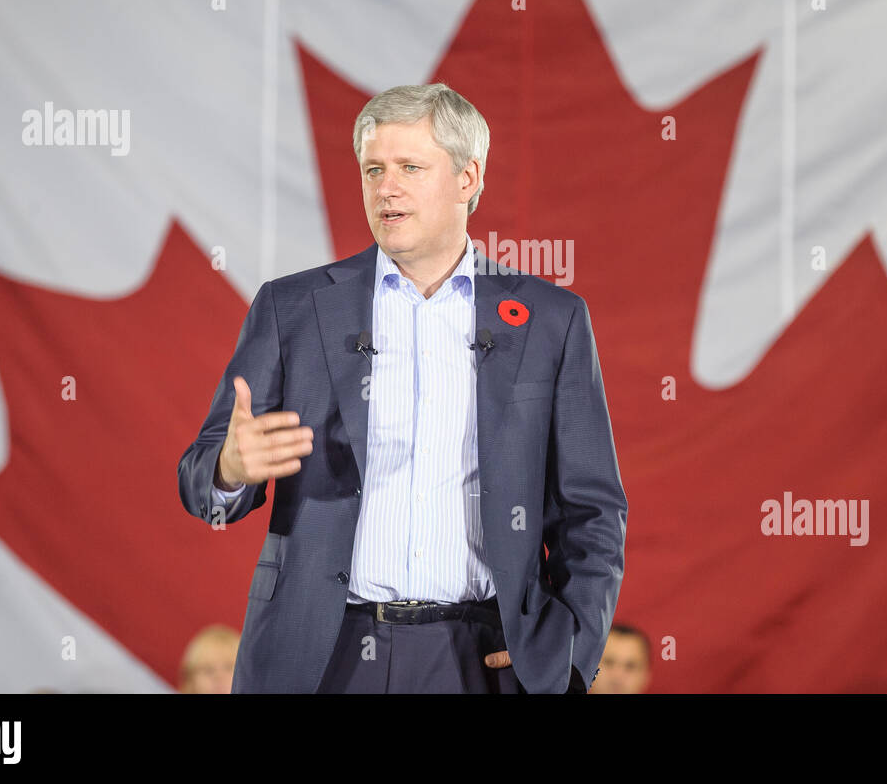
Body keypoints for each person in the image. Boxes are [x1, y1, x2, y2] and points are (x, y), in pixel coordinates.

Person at [177, 82, 627, 693]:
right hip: (321, 658)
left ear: (468, 179)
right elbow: (201, 475)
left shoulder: (551, 320)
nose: (385, 188)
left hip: (480, 660)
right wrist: (230, 468)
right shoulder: (294, 307)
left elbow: (593, 510)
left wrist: (565, 658)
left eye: (410, 168)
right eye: (373, 169)